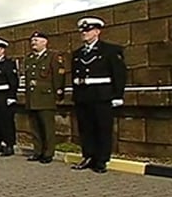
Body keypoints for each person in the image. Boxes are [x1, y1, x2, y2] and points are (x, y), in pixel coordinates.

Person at [71, 17, 127, 174]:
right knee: (85, 128)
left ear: (97, 31)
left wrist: (118, 95)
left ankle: (101, 160)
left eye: (87, 30)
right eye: (82, 31)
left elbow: (119, 74)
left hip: (102, 95)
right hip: (83, 95)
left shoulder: (110, 50)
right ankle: (88, 156)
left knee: (102, 128)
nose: (84, 33)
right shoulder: (77, 53)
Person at [24, 31, 66, 164]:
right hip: (32, 98)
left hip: (46, 97)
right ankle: (38, 151)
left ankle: (48, 153)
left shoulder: (53, 56)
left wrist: (58, 93)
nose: (33, 42)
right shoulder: (29, 58)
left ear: (44, 42)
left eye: (36, 40)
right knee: (35, 127)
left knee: (47, 127)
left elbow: (58, 76)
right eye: (32, 40)